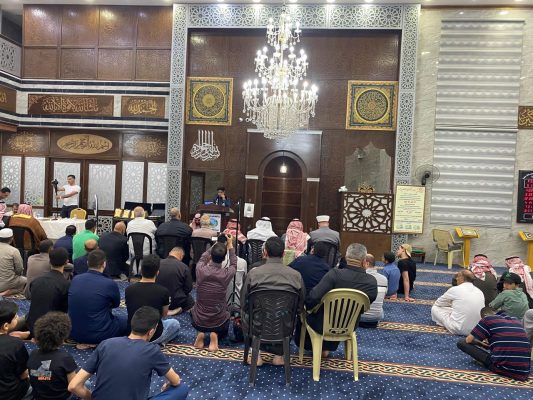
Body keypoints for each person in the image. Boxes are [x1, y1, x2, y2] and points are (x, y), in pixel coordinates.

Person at [68, 306, 189, 400]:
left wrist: (92, 398)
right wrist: (169, 384)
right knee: (181, 388)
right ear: (151, 331)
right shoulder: (152, 350)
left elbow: (73, 386)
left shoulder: (106, 344)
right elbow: (176, 381)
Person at [300, 243, 377, 353]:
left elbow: (314, 297)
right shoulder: (371, 281)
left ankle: (317, 348)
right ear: (364, 261)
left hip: (322, 325)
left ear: (346, 257)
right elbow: (365, 306)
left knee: (309, 314)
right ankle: (326, 348)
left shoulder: (335, 274)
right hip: (349, 325)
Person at [241, 237, 305, 366]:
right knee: (287, 314)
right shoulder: (296, 275)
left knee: (245, 313)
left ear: (265, 252)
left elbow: (243, 303)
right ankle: (279, 356)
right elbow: (300, 305)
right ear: (284, 254)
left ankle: (256, 353)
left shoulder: (253, 274)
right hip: (284, 327)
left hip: (257, 326)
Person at [68, 249, 127, 347]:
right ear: (104, 264)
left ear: (88, 263)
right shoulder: (109, 283)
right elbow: (116, 304)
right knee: (128, 321)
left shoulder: (75, 279)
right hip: (100, 334)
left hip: (73, 333)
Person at [457, 306, 531, 381]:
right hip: (524, 371)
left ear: (484, 315)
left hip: (503, 368)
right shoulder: (516, 320)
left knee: (462, 342)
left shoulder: (487, 319)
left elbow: (469, 340)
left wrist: (481, 344)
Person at [192, 235, 237, 352]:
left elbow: (203, 257)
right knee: (226, 314)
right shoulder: (226, 274)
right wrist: (230, 245)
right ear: (224, 259)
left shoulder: (200, 269)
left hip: (198, 320)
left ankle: (201, 333)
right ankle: (214, 335)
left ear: (211, 256)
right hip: (218, 321)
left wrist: (216, 244)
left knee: (195, 308)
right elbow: (233, 264)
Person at [126, 254, 180, 346]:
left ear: (141, 271)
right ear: (157, 273)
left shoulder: (129, 289)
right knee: (175, 323)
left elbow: (130, 309)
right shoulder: (163, 291)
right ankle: (157, 343)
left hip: (132, 331)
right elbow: (164, 314)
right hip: (153, 335)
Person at [28, 312, 77, 400]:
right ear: (62, 338)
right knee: (86, 383)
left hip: (38, 397)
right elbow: (73, 386)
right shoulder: (65, 358)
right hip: (62, 397)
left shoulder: (33, 353)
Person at [26, 248, 71, 337]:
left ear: (49, 262)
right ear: (66, 262)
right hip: (51, 330)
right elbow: (65, 310)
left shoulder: (36, 281)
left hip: (31, 325)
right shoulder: (66, 285)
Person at [431, 270, 485, 335]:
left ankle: (447, 324)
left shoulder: (455, 289)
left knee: (435, 308)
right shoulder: (479, 291)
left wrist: (451, 302)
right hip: (476, 330)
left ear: (462, 278)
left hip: (458, 329)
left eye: (458, 276)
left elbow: (438, 303)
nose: (456, 279)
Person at [0, 300, 31, 400]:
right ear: (5, 326)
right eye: (15, 317)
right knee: (42, 375)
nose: (17, 317)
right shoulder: (15, 344)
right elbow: (23, 374)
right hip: (9, 394)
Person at [156, 247, 194, 315]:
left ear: (169, 253)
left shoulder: (157, 264)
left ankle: (163, 310)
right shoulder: (184, 267)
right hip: (176, 301)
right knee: (190, 300)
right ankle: (172, 311)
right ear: (181, 256)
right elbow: (188, 288)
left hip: (159, 300)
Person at [360, 254, 388, 328]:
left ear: (366, 263)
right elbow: (383, 297)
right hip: (376, 317)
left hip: (359, 317)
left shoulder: (358, 277)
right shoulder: (384, 279)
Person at [127, 207, 157, 272]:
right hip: (148, 252)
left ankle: (135, 272)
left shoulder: (129, 223)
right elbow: (155, 233)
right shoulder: (150, 223)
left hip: (133, 252)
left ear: (134, 215)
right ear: (144, 214)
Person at [0, 228, 26, 296]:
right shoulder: (14, 251)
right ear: (11, 239)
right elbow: (19, 269)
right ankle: (4, 293)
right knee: (26, 281)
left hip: (5, 282)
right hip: (6, 284)